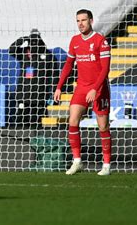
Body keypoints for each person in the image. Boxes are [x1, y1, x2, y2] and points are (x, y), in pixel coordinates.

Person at [54, 9, 112, 176]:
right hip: (81, 87)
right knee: (72, 121)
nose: (80, 23)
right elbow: (68, 65)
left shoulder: (101, 41)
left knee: (103, 126)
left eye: (84, 20)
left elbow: (105, 69)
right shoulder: (75, 41)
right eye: (78, 21)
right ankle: (77, 161)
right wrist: (59, 86)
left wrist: (95, 88)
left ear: (91, 21)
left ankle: (106, 165)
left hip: (99, 88)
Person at [8, 28, 60, 128]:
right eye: (31, 40)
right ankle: (20, 141)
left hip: (39, 95)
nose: (34, 43)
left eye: (36, 40)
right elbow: (11, 50)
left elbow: (54, 75)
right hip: (23, 94)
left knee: (37, 122)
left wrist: (53, 91)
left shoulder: (48, 55)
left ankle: (36, 139)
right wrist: (22, 39)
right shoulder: (24, 53)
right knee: (21, 120)